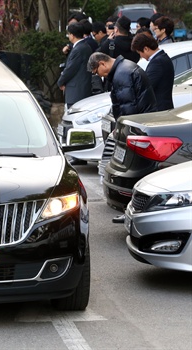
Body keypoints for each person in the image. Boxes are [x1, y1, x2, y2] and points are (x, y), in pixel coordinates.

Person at [87, 52, 157, 223]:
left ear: (102, 63)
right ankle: (133, 211)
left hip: (138, 127)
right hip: (143, 124)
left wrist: (123, 130)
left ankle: (134, 212)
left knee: (134, 172)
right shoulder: (124, 68)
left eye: (97, 71)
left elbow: (128, 107)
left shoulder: (122, 73)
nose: (98, 76)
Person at [131, 33, 174, 111]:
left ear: (146, 49)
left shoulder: (157, 62)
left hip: (159, 110)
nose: (141, 56)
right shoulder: (163, 57)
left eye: (140, 52)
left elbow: (146, 86)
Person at [57, 23, 92, 109]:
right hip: (82, 88)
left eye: (69, 34)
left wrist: (60, 81)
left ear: (72, 35)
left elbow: (70, 69)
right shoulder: (85, 46)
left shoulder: (78, 49)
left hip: (76, 91)